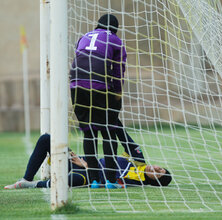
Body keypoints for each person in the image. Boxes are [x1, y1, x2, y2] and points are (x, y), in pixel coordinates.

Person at [70, 14, 127, 186]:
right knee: (109, 132)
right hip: (98, 85)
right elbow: (118, 70)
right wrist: (117, 93)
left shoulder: (84, 37)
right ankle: (110, 180)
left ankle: (94, 179)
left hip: (75, 85)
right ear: (115, 29)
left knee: (89, 132)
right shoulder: (116, 40)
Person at [4, 134, 172, 189]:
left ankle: (30, 185)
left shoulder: (135, 182)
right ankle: (26, 177)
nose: (156, 169)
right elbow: (123, 135)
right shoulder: (138, 160)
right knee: (47, 138)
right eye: (161, 168)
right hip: (83, 161)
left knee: (73, 181)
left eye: (157, 174)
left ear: (154, 181)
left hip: (87, 174)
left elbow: (106, 181)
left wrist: (85, 165)